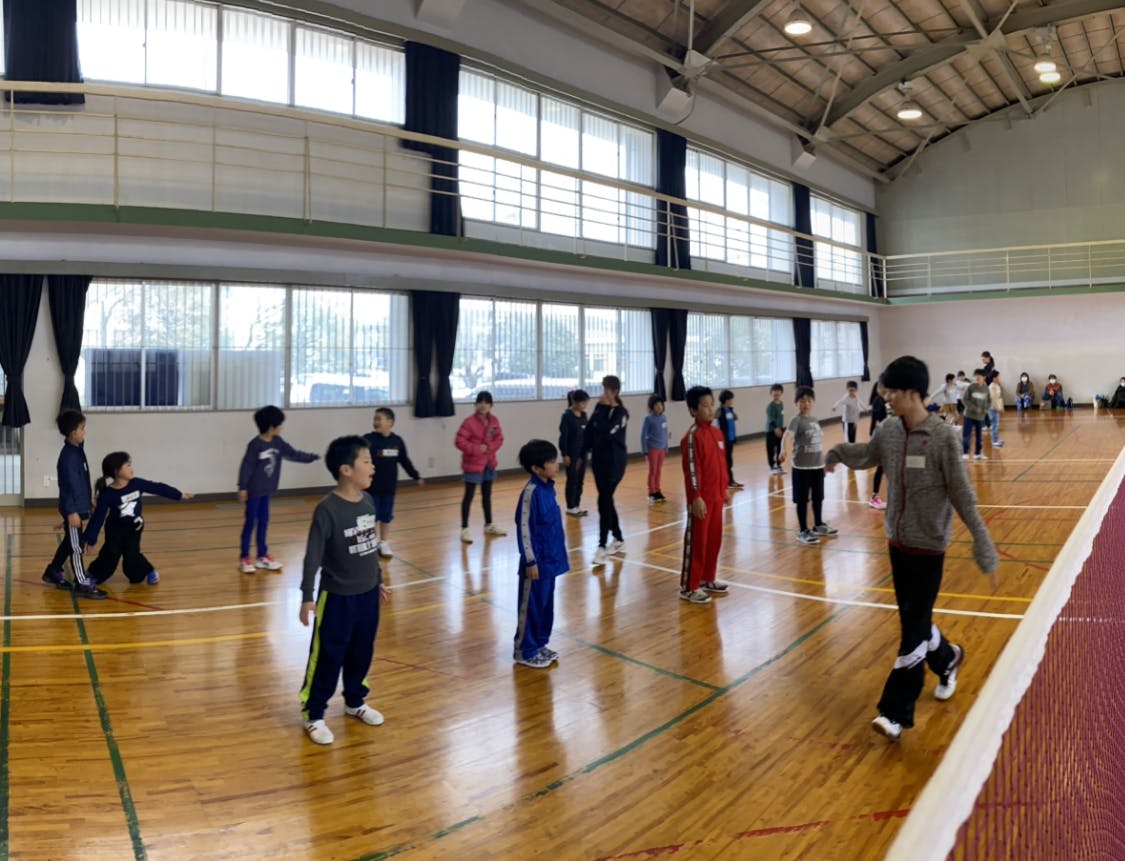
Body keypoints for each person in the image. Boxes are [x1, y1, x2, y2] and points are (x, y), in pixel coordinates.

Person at [825, 355, 998, 742]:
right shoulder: (888, 430)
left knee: (913, 628)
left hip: (929, 547)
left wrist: (982, 539)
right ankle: (948, 658)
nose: (885, 397)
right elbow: (868, 455)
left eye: (892, 391)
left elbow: (962, 493)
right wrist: (838, 452)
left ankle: (895, 711)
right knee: (914, 621)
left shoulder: (942, 438)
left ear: (913, 393)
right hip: (897, 543)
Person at [298, 435, 389, 745]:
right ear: (346, 470)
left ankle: (355, 700)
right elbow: (312, 556)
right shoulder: (327, 509)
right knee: (328, 655)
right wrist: (307, 596)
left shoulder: (368, 501)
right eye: (366, 461)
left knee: (362, 650)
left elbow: (370, 545)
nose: (372, 467)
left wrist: (378, 579)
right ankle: (313, 713)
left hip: (368, 594)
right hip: (337, 598)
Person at [84, 452, 193, 585]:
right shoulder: (108, 494)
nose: (131, 468)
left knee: (132, 555)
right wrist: (91, 540)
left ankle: (148, 571)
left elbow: (158, 488)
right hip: (115, 530)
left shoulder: (137, 484)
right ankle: (94, 574)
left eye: (130, 465)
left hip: (134, 528)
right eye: (127, 465)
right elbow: (98, 518)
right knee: (110, 554)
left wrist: (179, 495)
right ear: (116, 471)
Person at [237, 405, 320, 574]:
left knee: (264, 522)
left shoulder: (278, 442)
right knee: (250, 523)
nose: (282, 428)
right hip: (254, 492)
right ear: (271, 427)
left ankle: (262, 556)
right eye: (279, 425)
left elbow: (293, 454)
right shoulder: (255, 445)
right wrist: (242, 487)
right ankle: (245, 557)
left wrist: (311, 458)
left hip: (266, 491)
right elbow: (246, 466)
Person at [512, 439, 569, 669]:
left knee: (546, 605)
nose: (556, 464)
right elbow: (524, 528)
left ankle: (540, 643)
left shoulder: (549, 488)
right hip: (536, 563)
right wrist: (530, 561)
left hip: (551, 560)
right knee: (532, 606)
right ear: (536, 468)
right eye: (551, 461)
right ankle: (525, 650)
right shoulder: (531, 492)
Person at [42, 409, 106, 599]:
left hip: (79, 505)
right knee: (77, 547)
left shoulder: (77, 450)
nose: (84, 432)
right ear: (72, 432)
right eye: (81, 428)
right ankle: (82, 583)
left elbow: (81, 481)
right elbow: (67, 486)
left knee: (70, 542)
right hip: (72, 509)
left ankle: (53, 571)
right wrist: (70, 512)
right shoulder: (68, 458)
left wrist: (88, 500)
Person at [679, 386, 731, 604]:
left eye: (712, 404)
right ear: (693, 410)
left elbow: (721, 464)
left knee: (714, 540)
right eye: (705, 405)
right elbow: (692, 470)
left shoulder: (717, 433)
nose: (710, 409)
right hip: (701, 500)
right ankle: (689, 586)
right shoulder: (692, 437)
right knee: (697, 542)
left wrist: (724, 487)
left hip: (717, 497)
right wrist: (696, 496)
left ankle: (708, 578)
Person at [779, 387, 838, 545]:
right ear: (796, 403)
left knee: (818, 497)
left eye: (809, 401)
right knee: (802, 500)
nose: (806, 404)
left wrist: (824, 463)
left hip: (817, 466)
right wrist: (783, 450)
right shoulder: (796, 420)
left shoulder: (814, 420)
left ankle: (818, 525)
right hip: (802, 468)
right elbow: (787, 436)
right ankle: (803, 530)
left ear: (813, 403)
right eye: (802, 401)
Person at [363, 407, 423, 559]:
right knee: (371, 517)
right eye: (375, 419)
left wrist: (415, 476)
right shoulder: (368, 440)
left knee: (386, 516)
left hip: (389, 488)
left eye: (379, 419)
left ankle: (383, 542)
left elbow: (404, 461)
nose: (376, 422)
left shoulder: (397, 442)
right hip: (371, 488)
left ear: (390, 422)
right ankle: (369, 543)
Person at [585, 375, 629, 566]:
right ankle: (618, 538)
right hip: (598, 461)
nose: (603, 393)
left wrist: (602, 410)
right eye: (602, 389)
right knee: (606, 500)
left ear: (615, 391)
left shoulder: (622, 413)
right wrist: (581, 454)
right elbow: (590, 431)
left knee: (603, 500)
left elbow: (607, 431)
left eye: (606, 390)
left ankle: (602, 546)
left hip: (615, 463)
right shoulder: (599, 408)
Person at [455, 391, 506, 543]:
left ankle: (489, 524)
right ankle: (465, 528)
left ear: (491, 405)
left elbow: (499, 438)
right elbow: (459, 441)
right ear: (475, 404)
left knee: (487, 495)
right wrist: (477, 449)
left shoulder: (494, 421)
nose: (483, 405)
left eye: (486, 402)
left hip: (489, 463)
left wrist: (490, 447)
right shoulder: (469, 422)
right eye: (480, 402)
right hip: (473, 464)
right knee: (469, 496)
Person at [558, 390, 590, 516]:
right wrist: (565, 454)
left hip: (582, 454)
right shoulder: (567, 416)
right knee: (572, 480)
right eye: (583, 403)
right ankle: (570, 506)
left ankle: (577, 505)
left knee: (580, 480)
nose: (585, 405)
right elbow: (564, 437)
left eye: (586, 403)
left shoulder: (584, 415)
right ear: (575, 402)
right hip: (572, 454)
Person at [641, 394, 669, 503]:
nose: (659, 406)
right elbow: (643, 435)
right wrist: (645, 450)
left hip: (661, 449)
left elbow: (665, 432)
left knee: (659, 470)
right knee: (653, 470)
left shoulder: (664, 417)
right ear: (652, 406)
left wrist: (666, 446)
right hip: (652, 448)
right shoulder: (648, 419)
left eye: (661, 404)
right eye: (656, 405)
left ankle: (657, 489)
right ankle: (651, 491)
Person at [961, 369, 989, 460]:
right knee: (967, 434)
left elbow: (989, 401)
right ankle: (965, 452)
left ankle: (978, 454)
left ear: (984, 377)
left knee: (979, 435)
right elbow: (965, 399)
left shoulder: (986, 388)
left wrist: (985, 409)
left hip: (979, 417)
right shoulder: (971, 387)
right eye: (975, 375)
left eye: (979, 376)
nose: (977, 377)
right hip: (969, 415)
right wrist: (974, 408)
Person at [717, 389, 743, 489]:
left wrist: (731, 410)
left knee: (729, 460)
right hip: (724, 440)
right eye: (731, 399)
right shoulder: (720, 411)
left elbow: (736, 418)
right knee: (726, 461)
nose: (732, 401)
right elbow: (715, 420)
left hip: (730, 439)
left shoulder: (730, 410)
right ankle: (728, 481)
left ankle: (729, 480)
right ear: (726, 400)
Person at [868, 383, 888, 510]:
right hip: (882, 436)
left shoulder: (885, 400)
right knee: (881, 467)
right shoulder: (878, 401)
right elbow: (876, 420)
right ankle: (874, 497)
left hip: (888, 435)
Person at [765, 384, 785, 474]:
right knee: (771, 449)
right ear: (771, 393)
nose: (776, 394)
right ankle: (772, 466)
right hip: (771, 431)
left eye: (778, 392)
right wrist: (776, 428)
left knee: (780, 448)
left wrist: (781, 429)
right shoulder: (770, 406)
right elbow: (771, 419)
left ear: (781, 393)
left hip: (780, 429)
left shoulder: (781, 404)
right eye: (774, 393)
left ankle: (779, 465)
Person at [987, 371, 1005, 448]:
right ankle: (994, 441)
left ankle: (996, 439)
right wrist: (998, 408)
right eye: (998, 376)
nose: (1000, 378)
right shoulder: (992, 387)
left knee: (996, 425)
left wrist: (1001, 407)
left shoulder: (997, 386)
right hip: (993, 409)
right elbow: (993, 399)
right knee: (994, 425)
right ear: (994, 378)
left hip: (997, 408)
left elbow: (999, 398)